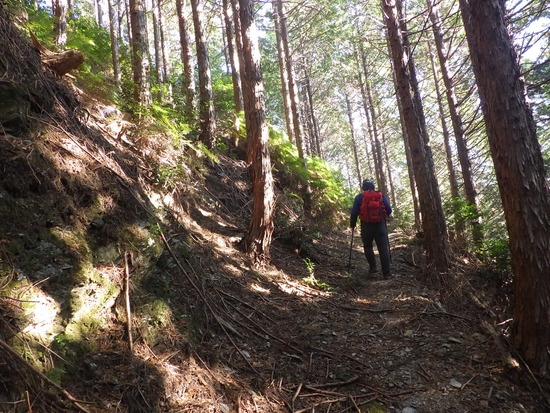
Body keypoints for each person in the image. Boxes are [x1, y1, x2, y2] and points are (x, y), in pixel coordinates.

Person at [350, 179, 392, 279]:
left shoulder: (360, 197)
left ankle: (373, 268)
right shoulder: (380, 196)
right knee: (383, 248)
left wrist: (352, 224)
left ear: (363, 187)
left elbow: (354, 213)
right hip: (380, 225)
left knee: (368, 246)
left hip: (366, 225)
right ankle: (387, 273)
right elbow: (389, 210)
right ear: (373, 186)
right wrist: (383, 217)